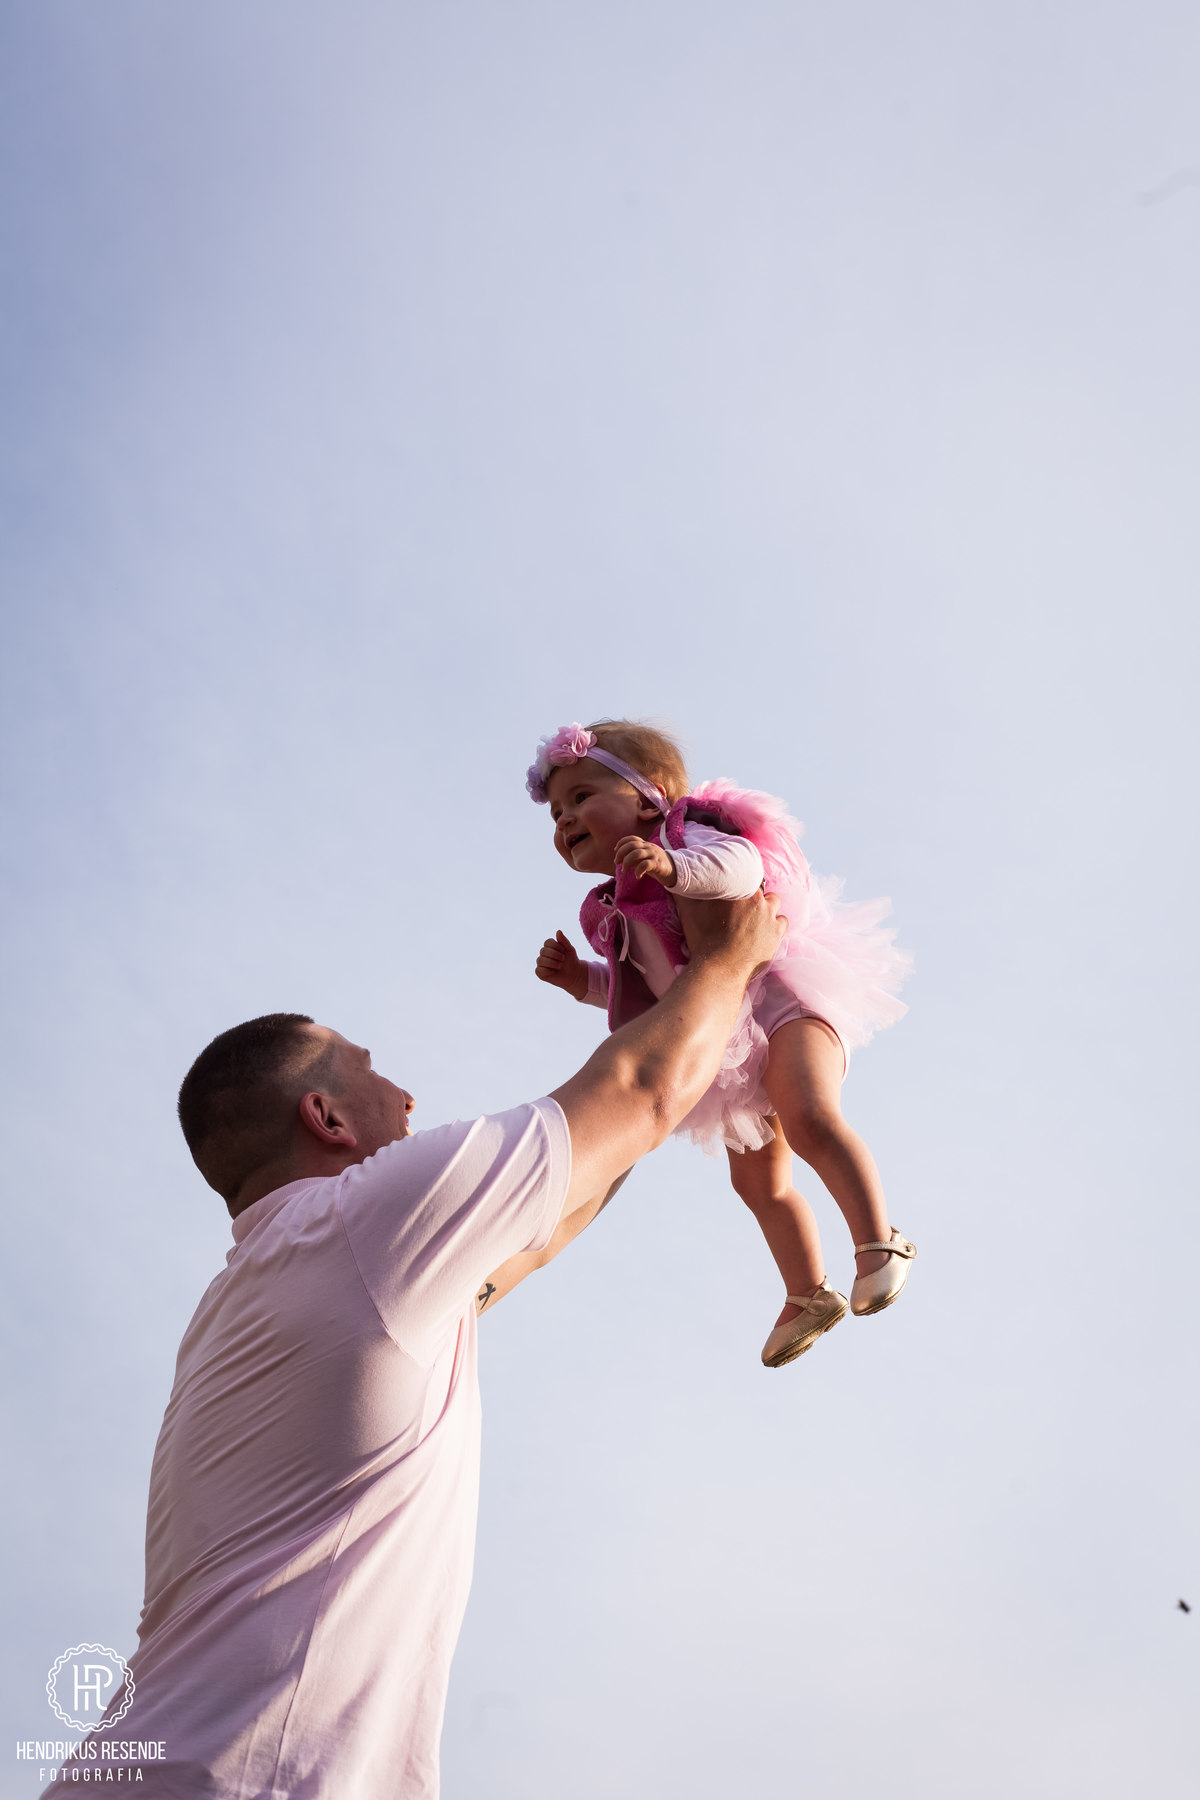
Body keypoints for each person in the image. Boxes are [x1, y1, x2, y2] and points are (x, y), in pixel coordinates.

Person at [41, 887, 784, 1800]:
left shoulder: (272, 1288)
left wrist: (685, 1036)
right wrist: (729, 961)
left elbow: (547, 1224)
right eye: (373, 1070)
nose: (407, 1093)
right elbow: (637, 1090)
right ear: (327, 1118)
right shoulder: (360, 1225)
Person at [529, 718, 916, 1369]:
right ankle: (806, 1294)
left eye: (583, 796)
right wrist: (582, 982)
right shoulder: (612, 907)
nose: (565, 818)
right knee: (758, 1184)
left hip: (779, 995)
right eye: (558, 811)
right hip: (728, 1041)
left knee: (810, 1116)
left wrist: (675, 865)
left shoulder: (685, 830)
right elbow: (652, 987)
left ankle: (879, 1241)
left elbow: (739, 869)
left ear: (648, 794)